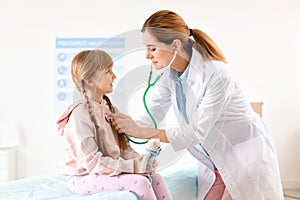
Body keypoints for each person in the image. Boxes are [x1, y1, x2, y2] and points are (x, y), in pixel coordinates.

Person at [111, 10, 284, 200]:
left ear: (175, 46)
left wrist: (144, 133)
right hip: (215, 162)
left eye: (152, 48)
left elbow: (197, 131)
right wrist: (120, 127)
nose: (147, 55)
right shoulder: (170, 75)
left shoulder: (216, 73)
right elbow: (152, 115)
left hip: (243, 156)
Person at [56, 49, 173, 200]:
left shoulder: (109, 108)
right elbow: (93, 163)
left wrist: (142, 163)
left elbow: (124, 149)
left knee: (156, 177)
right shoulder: (79, 116)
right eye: (108, 71)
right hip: (83, 176)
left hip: (104, 170)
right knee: (140, 182)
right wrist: (134, 168)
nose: (114, 76)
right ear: (90, 80)